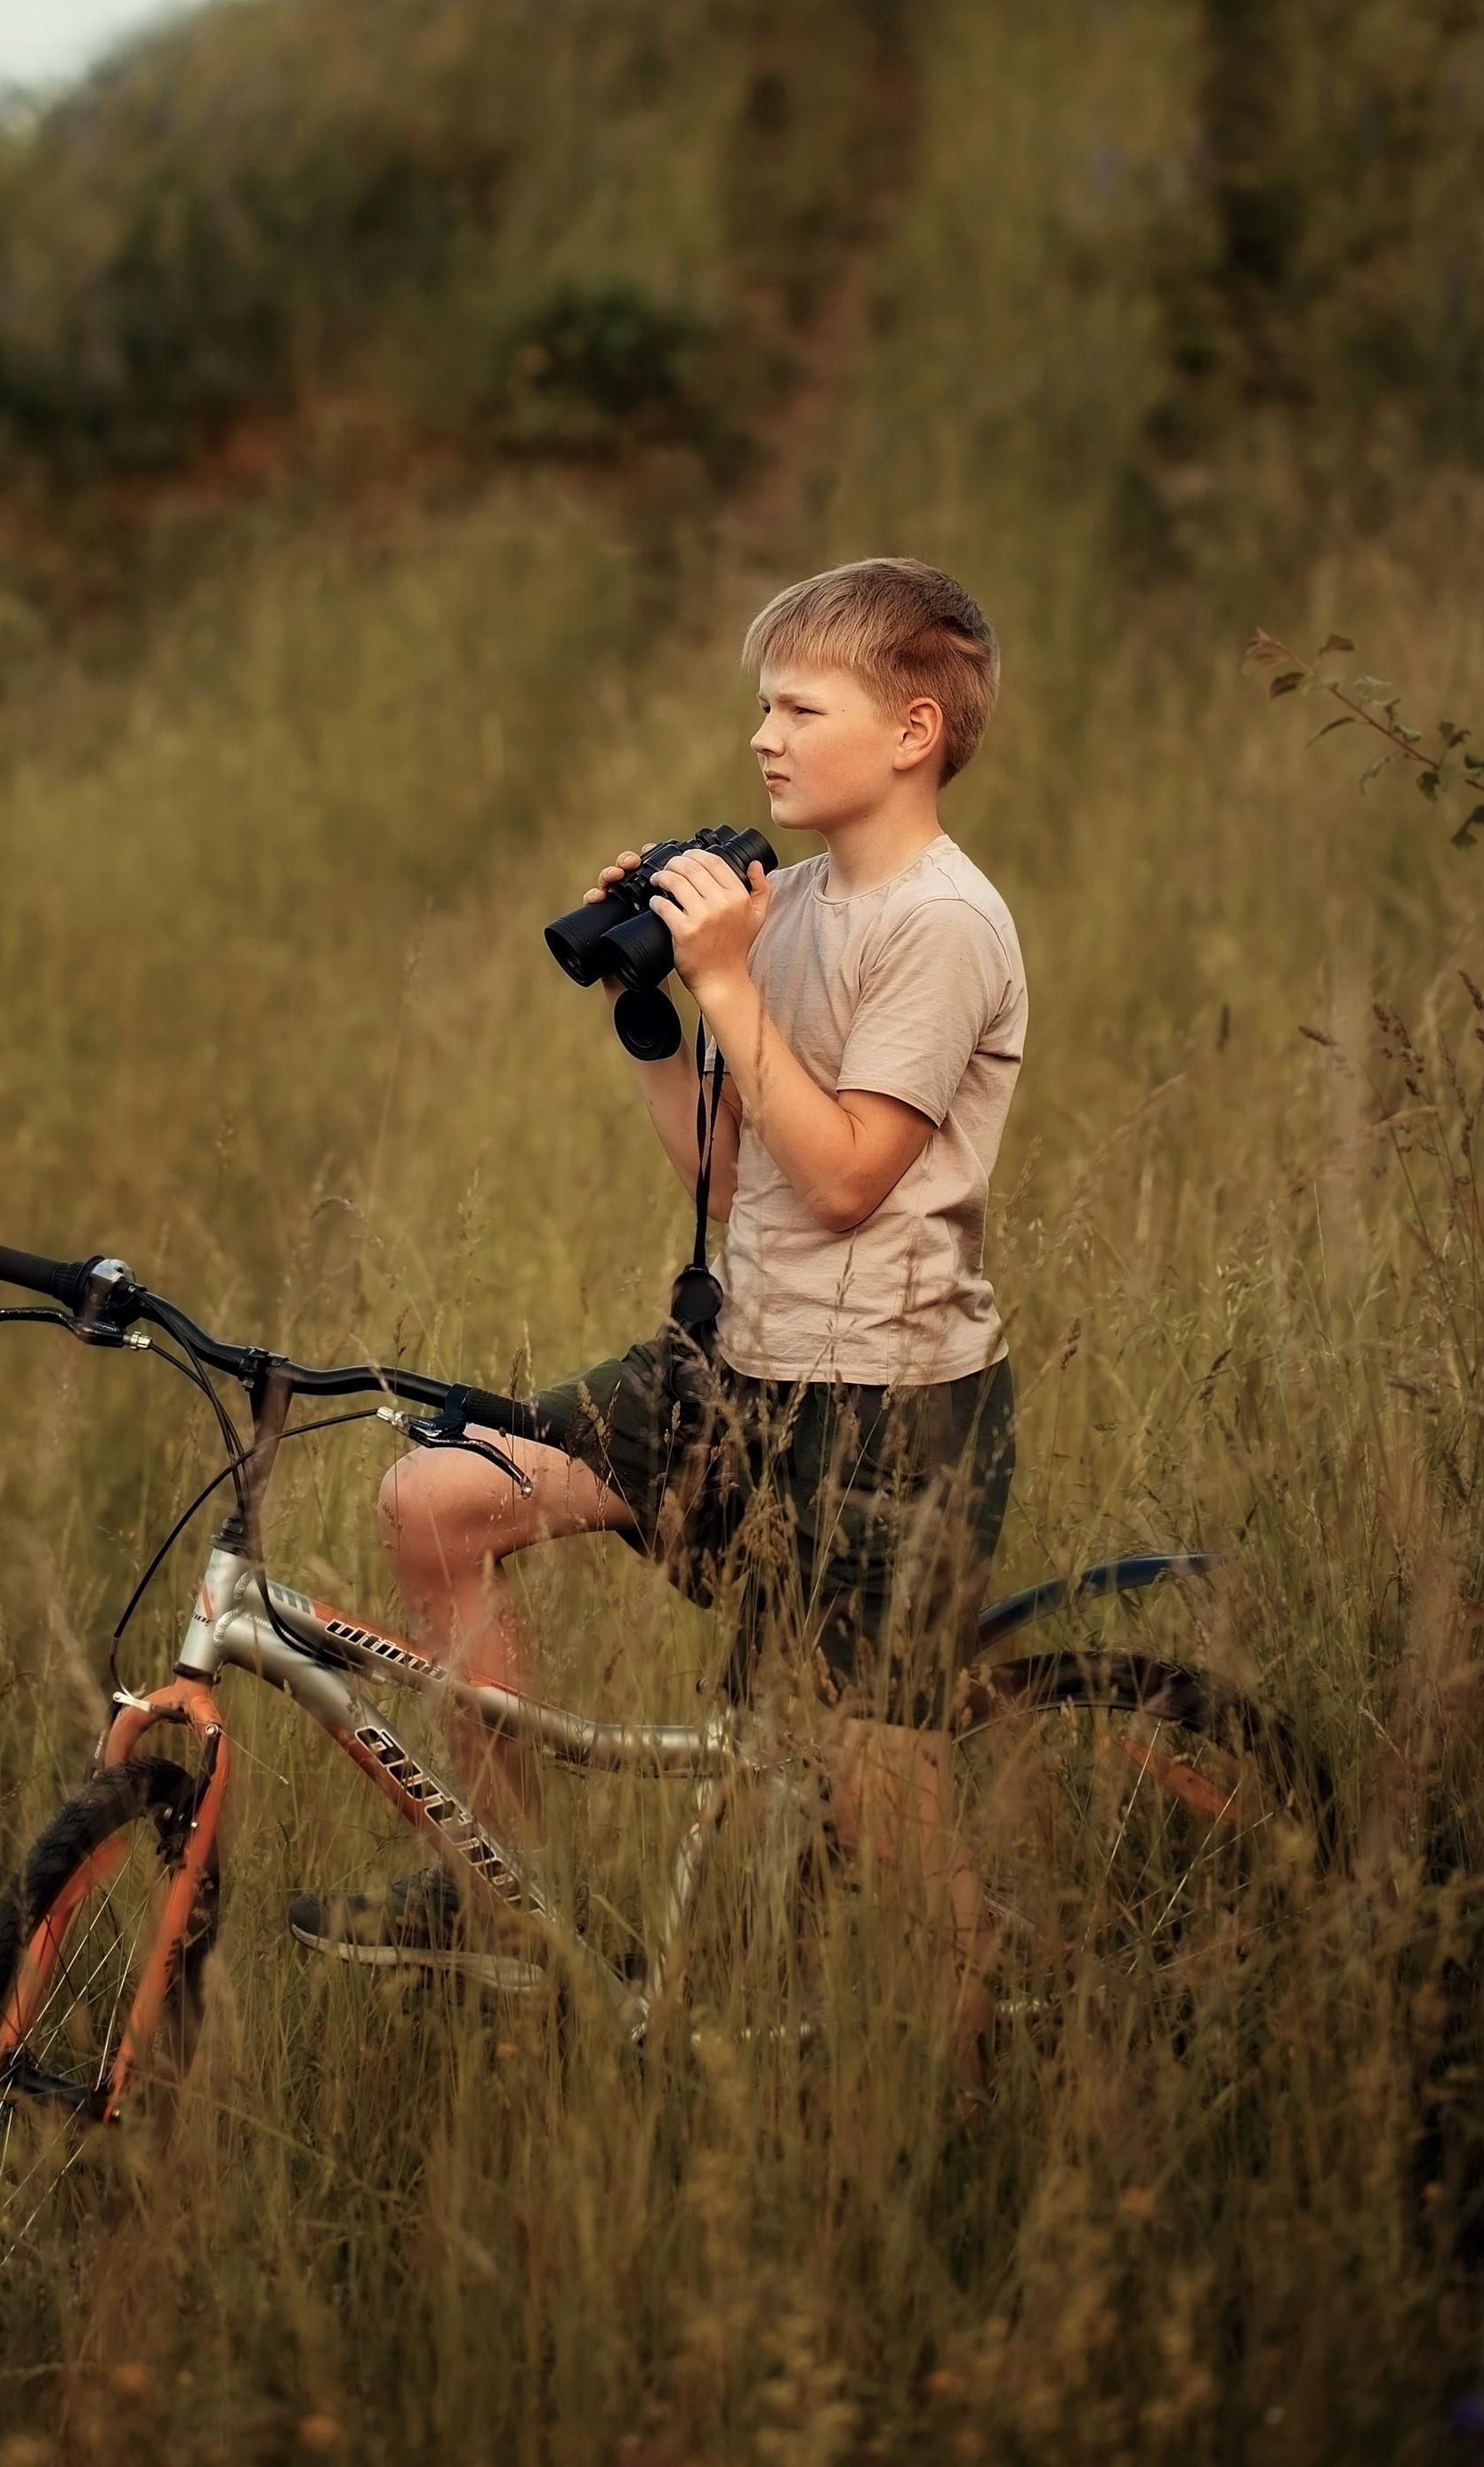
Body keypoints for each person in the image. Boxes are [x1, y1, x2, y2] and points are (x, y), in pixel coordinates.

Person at [287, 555, 1026, 2086]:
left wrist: (728, 976)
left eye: (798, 707)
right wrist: (656, 1007)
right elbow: (730, 1171)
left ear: (911, 729)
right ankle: (501, 1883)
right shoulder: (797, 906)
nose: (762, 736)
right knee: (436, 1499)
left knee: (884, 1814)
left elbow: (841, 1184)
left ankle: (968, 2099)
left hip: (883, 1410)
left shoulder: (943, 927)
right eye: (761, 705)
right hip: (732, 1370)